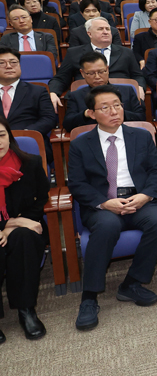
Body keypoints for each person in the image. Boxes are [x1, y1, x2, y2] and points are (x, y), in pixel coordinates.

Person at [68, 84, 157, 331]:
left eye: (117, 105)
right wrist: (105, 202)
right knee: (107, 226)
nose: (114, 111)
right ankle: (89, 297)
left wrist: (145, 196)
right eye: (105, 107)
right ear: (91, 113)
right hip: (102, 205)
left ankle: (132, 283)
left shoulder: (141, 136)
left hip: (139, 200)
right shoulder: (81, 144)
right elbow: (77, 184)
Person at [0, 117, 51, 342]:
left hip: (27, 224)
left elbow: (41, 199)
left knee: (23, 238)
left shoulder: (30, 163)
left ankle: (26, 309)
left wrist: (17, 223)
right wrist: (6, 225)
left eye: (1, 135)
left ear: (9, 136)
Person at [52, 17, 145, 111]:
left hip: (121, 96)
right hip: (87, 98)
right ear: (89, 34)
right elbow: (61, 78)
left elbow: (137, 75)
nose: (105, 32)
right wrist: (53, 92)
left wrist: (140, 87)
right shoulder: (74, 53)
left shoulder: (126, 52)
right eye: (100, 29)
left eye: (107, 29)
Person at [0, 47, 58, 160]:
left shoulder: (38, 91)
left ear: (20, 66)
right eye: (2, 63)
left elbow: (49, 118)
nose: (9, 66)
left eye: (13, 62)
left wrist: (26, 134)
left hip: (29, 145)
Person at [63, 52, 145, 131]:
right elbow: (67, 124)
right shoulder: (76, 96)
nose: (97, 77)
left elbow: (141, 118)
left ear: (107, 69)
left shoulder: (127, 91)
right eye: (91, 73)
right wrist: (86, 114)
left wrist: (118, 112)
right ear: (83, 73)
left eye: (101, 72)